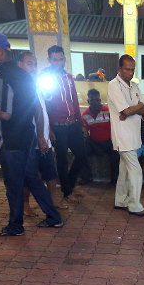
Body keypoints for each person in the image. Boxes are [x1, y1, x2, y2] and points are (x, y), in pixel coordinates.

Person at [0, 32, 63, 235]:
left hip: (11, 140)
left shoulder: (3, 77)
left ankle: (15, 225)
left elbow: (6, 115)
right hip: (28, 136)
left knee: (14, 184)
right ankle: (54, 217)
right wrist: (40, 135)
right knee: (32, 178)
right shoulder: (23, 75)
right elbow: (35, 108)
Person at [40, 45, 91, 204]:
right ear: (49, 60)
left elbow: (74, 100)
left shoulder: (68, 77)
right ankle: (67, 191)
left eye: (61, 59)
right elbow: (42, 106)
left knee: (82, 155)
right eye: (55, 59)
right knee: (62, 159)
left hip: (73, 123)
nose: (58, 62)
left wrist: (81, 123)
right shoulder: (44, 78)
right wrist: (48, 129)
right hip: (57, 126)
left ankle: (69, 182)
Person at [16, 51, 62, 217]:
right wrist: (40, 137)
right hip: (30, 140)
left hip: (44, 138)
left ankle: (54, 200)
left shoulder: (35, 84)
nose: (34, 68)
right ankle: (26, 205)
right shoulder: (19, 86)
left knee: (50, 172)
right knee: (30, 176)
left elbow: (42, 110)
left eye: (35, 64)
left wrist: (48, 131)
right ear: (20, 64)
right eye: (30, 64)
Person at [107, 54, 144, 216]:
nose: (130, 73)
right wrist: (136, 107)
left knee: (125, 169)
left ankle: (120, 200)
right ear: (119, 68)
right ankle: (134, 204)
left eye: (132, 70)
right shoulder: (114, 85)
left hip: (133, 135)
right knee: (135, 170)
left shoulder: (134, 86)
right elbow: (126, 111)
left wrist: (134, 109)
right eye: (127, 69)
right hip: (123, 136)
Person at [81, 88, 119, 184]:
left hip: (109, 141)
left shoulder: (108, 111)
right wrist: (94, 146)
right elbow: (85, 134)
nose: (95, 102)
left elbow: (116, 127)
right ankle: (87, 177)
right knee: (81, 152)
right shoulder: (85, 115)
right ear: (88, 101)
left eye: (97, 100)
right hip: (93, 142)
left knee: (116, 154)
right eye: (92, 100)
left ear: (100, 100)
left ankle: (115, 179)